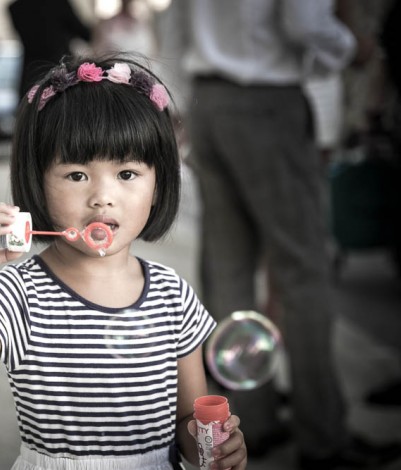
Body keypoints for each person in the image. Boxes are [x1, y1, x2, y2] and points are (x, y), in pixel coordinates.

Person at [0, 55, 247, 470]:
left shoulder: (171, 295)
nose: (102, 197)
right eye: (76, 175)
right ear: (38, 181)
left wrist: (213, 449)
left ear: (159, 185)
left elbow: (185, 425)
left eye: (127, 174)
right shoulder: (19, 295)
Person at [159, 1, 401, 469]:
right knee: (304, 272)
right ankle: (323, 438)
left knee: (227, 268)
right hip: (267, 99)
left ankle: (249, 423)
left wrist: (183, 107)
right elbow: (304, 21)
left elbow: (173, 27)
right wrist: (354, 48)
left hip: (209, 102)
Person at [8, 0, 91, 96]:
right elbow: (83, 33)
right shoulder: (58, 3)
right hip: (59, 66)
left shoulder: (16, 7)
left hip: (31, 71)